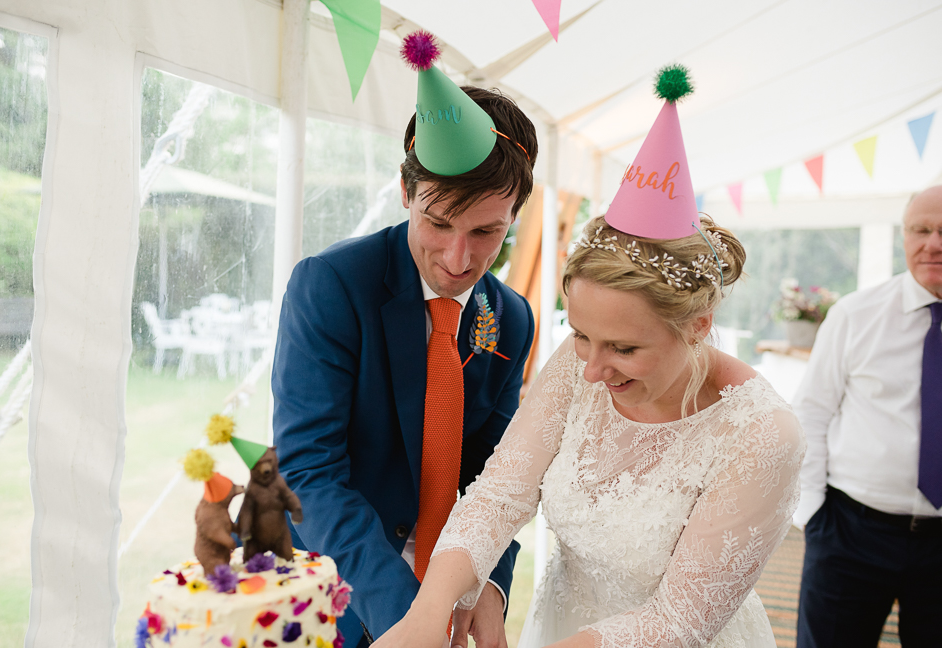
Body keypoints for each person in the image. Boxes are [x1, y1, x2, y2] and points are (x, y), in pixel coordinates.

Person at [374, 66, 805, 648]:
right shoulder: (580, 363)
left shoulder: (761, 434)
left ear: (698, 326)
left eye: (625, 349)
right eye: (580, 335)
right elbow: (500, 493)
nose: (594, 370)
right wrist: (426, 614)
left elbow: (674, 624)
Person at [272, 33, 539, 648]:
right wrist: (405, 614)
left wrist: (489, 586)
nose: (457, 257)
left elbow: (496, 473)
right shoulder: (333, 286)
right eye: (438, 222)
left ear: (516, 212)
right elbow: (309, 468)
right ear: (405, 190)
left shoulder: (513, 318)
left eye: (485, 233)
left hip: (452, 591)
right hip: (335, 589)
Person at [793, 185, 942, 648]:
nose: (932, 244)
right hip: (850, 532)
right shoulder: (856, 315)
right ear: (904, 236)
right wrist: (812, 516)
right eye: (921, 230)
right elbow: (812, 411)